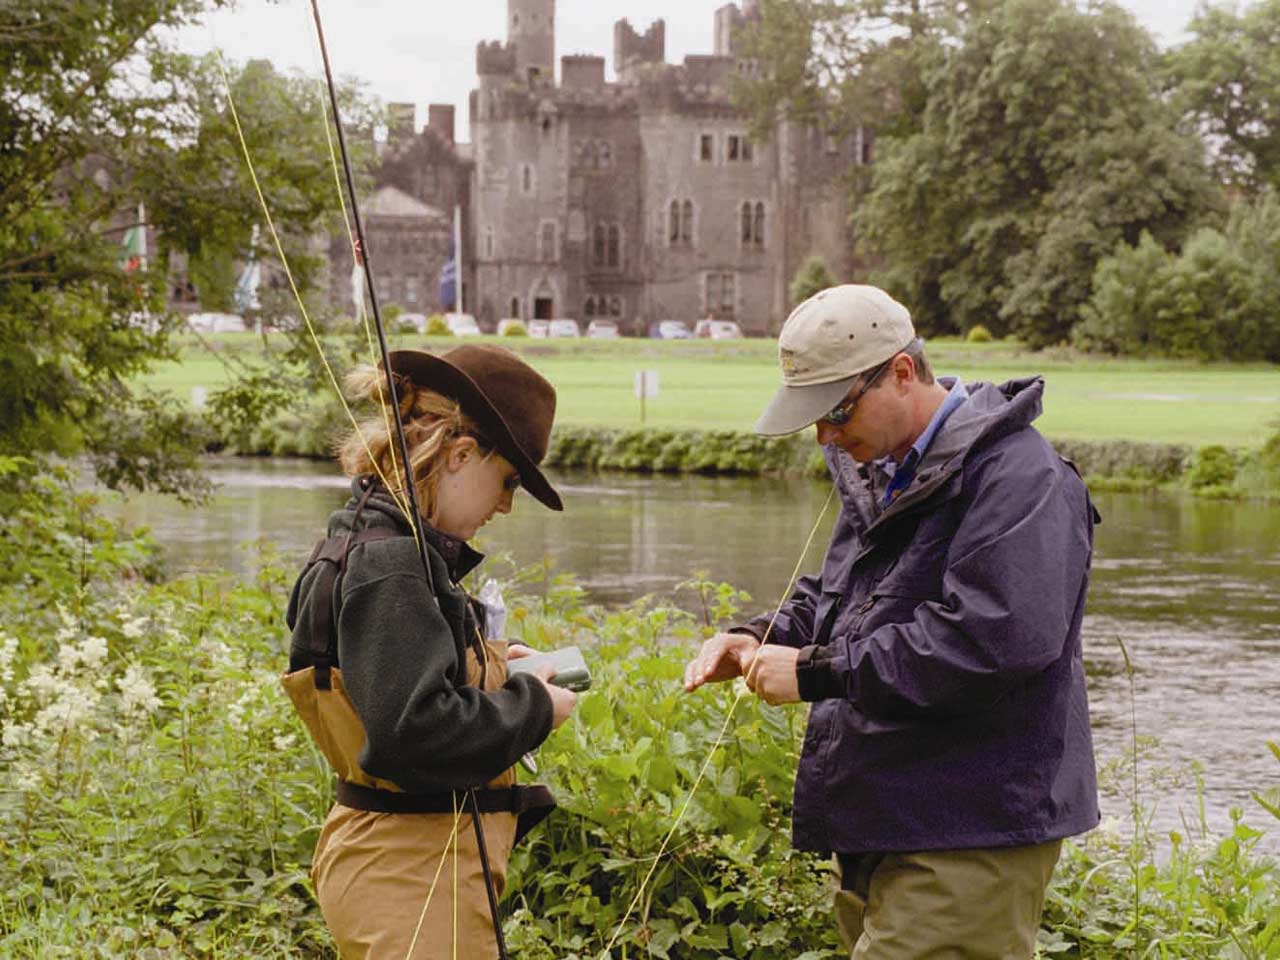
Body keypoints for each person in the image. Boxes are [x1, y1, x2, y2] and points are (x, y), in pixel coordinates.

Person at [684, 285, 1100, 958]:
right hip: (885, 817)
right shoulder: (884, 469)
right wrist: (761, 637)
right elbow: (841, 597)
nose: (823, 434)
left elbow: (987, 642)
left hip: (973, 826)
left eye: (835, 410)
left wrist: (817, 673)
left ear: (902, 374)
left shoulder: (1022, 479)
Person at [284, 343, 578, 959]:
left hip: (406, 868)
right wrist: (536, 706)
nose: (504, 505)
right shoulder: (392, 566)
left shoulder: (366, 539)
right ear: (461, 454)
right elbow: (415, 733)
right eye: (508, 482)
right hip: (412, 878)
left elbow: (390, 682)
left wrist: (492, 665)